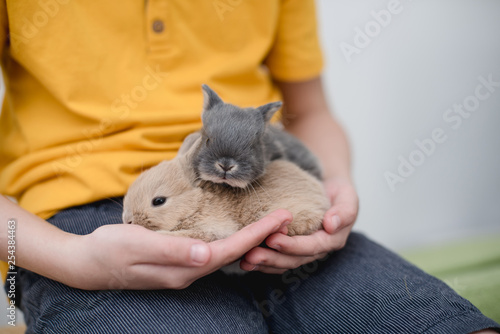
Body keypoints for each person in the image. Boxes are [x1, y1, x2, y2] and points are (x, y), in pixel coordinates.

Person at [0, 1, 498, 333]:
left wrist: (337, 187)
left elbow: (311, 112)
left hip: (262, 197)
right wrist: (70, 259)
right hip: (74, 225)